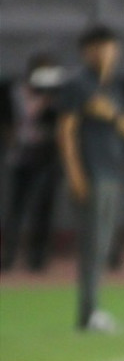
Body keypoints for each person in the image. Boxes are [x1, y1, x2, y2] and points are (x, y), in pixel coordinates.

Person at [55, 25, 124, 332]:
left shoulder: (113, 88)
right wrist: (75, 174)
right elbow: (65, 131)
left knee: (104, 247)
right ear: (87, 51)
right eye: (100, 47)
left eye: (111, 47)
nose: (107, 53)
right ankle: (88, 313)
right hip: (90, 173)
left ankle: (92, 311)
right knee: (92, 247)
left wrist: (113, 115)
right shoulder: (78, 84)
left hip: (111, 172)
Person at [1, 52, 64, 273]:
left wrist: (50, 103)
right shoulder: (16, 91)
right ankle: (7, 255)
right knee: (16, 208)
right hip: (21, 156)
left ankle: (37, 258)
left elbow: (60, 123)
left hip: (46, 157)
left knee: (43, 208)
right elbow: (9, 121)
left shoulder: (56, 96)